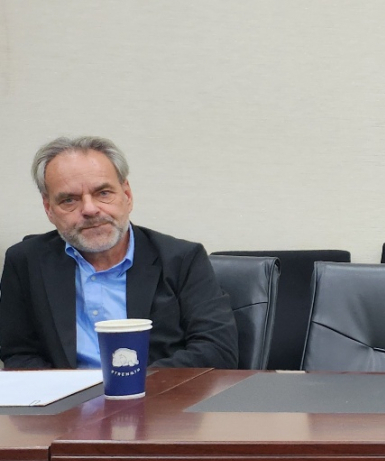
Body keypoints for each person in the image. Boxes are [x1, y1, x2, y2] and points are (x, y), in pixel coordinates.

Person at [0, 136, 238, 369]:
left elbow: (217, 350)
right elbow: (18, 353)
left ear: (127, 195)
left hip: (158, 399)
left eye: (103, 193)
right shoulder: (25, 262)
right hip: (66, 404)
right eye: (69, 200)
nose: (90, 209)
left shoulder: (183, 259)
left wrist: (129, 386)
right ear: (48, 208)